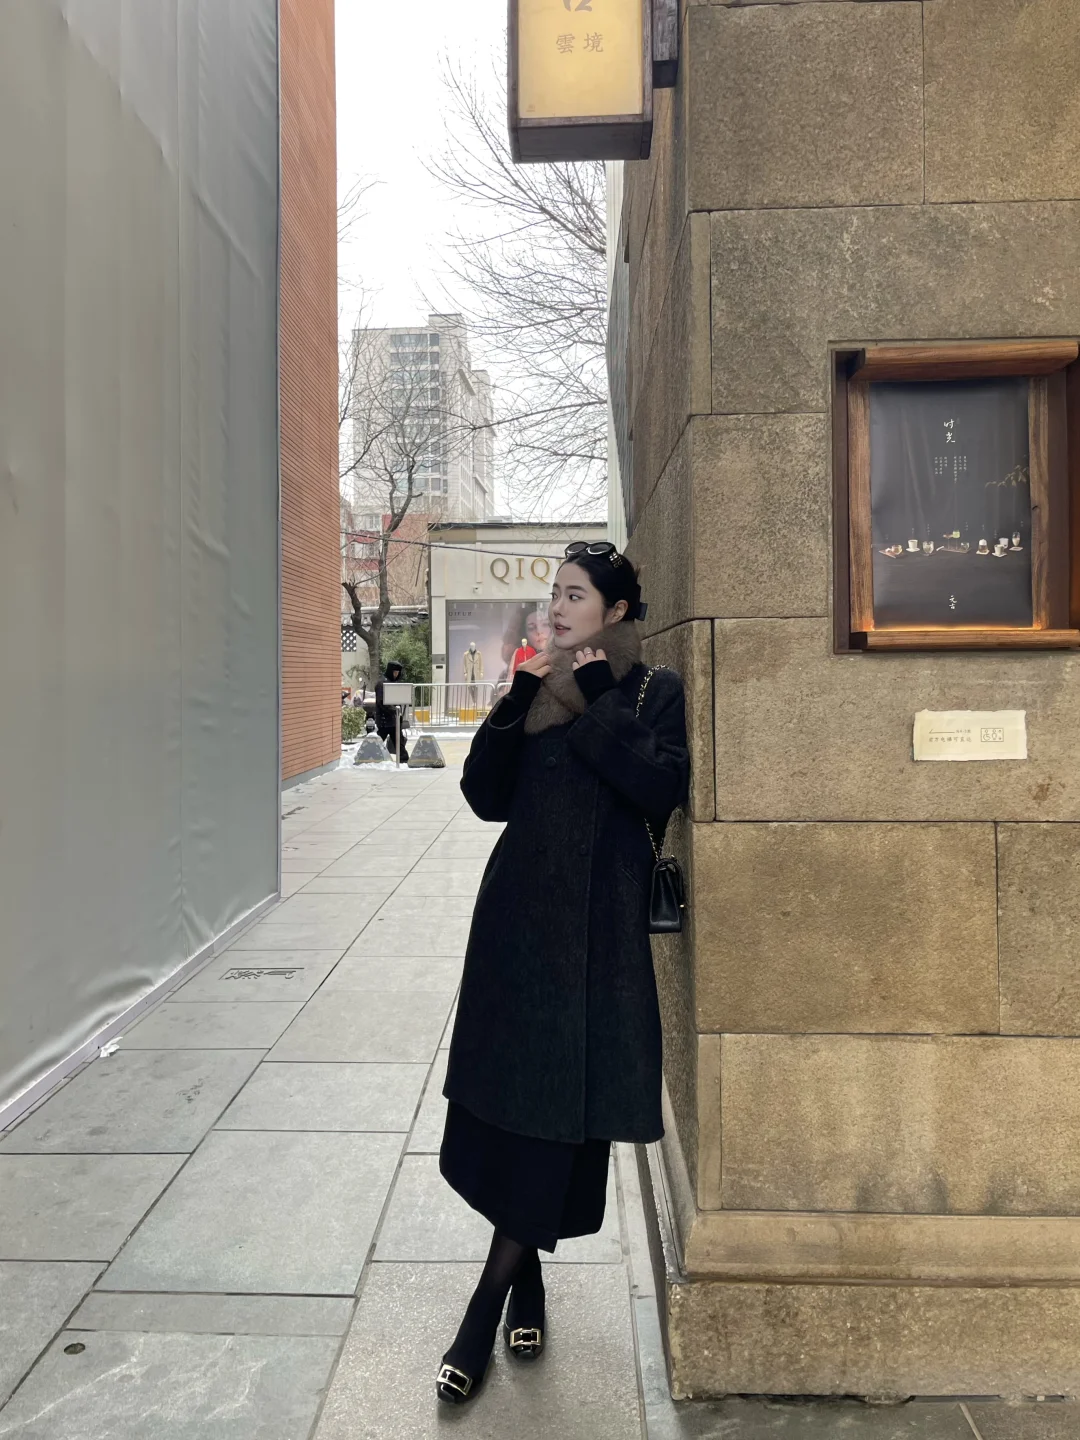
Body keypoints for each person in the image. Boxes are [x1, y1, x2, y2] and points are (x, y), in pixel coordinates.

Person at [435, 541, 690, 1406]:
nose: (558, 606)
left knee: (555, 1120)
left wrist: (598, 696)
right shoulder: (533, 683)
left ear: (615, 611)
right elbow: (485, 796)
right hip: (515, 932)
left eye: (576, 595)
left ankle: (484, 1309)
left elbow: (657, 787)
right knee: (510, 1112)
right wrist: (518, 698)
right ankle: (527, 1281)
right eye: (555, 592)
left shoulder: (651, 692)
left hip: (595, 943)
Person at [374, 659, 410, 763]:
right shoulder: (382, 683)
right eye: (394, 672)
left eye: (397, 673)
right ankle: (371, 757)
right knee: (379, 741)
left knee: (399, 741)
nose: (396, 675)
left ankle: (404, 760)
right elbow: (381, 702)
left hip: (394, 719)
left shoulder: (394, 683)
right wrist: (394, 710)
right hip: (384, 720)